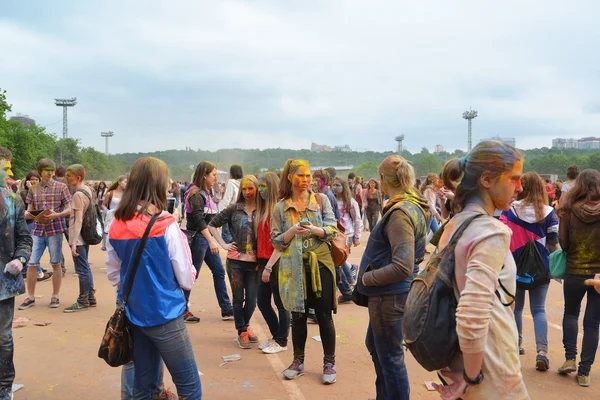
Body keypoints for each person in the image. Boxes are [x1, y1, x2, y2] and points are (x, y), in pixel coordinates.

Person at [432, 140, 529, 399]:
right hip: (492, 368)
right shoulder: (491, 231)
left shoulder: (457, 223)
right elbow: (473, 313)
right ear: (486, 180)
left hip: (458, 357)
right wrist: (472, 377)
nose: (519, 187)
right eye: (514, 179)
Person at [106, 156, 201, 399]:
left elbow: (114, 273)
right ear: (158, 185)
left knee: (143, 386)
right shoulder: (166, 224)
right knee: (189, 386)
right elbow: (186, 278)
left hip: (135, 314)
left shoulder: (116, 222)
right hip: (166, 314)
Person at [356, 155, 429, 400]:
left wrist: (367, 279)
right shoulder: (413, 203)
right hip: (391, 295)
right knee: (378, 348)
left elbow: (402, 265)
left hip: (390, 296)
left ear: (383, 179)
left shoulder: (400, 212)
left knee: (390, 358)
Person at [271, 159, 339, 384]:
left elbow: (332, 228)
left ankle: (329, 362)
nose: (305, 180)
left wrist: (316, 230)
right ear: (290, 177)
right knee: (298, 316)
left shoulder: (321, 200)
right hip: (293, 267)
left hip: (320, 263)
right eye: (300, 175)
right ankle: (297, 361)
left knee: (323, 316)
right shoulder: (280, 207)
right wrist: (291, 231)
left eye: (308, 176)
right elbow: (276, 241)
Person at [500, 172, 560, 371]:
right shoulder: (549, 212)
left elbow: (501, 237)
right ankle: (542, 352)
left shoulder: (509, 210)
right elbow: (553, 243)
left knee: (516, 309)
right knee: (538, 310)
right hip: (540, 268)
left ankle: (516, 345)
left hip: (513, 267)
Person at [556, 169, 600, 387]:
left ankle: (570, 359)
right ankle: (584, 372)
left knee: (571, 313)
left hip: (574, 270)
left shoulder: (568, 210)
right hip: (599, 276)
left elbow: (563, 243)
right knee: (593, 323)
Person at [209, 175, 261, 349]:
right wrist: (222, 243)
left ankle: (244, 325)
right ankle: (242, 331)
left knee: (252, 300)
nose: (247, 192)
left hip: (255, 262)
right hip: (235, 261)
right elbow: (211, 224)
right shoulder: (233, 209)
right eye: (244, 189)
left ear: (257, 189)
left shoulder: (263, 209)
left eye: (251, 188)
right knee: (238, 298)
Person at [0, 146, 33, 400]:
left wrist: (21, 259)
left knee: (2, 338)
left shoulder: (13, 201)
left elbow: (24, 237)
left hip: (3, 281)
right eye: (5, 169)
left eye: (7, 169)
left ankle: (4, 388)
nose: (8, 175)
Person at [183, 162, 233, 323]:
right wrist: (212, 241)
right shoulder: (196, 194)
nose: (215, 178)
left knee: (219, 272)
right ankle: (181, 309)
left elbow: (211, 223)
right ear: (204, 175)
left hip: (204, 239)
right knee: (192, 275)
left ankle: (226, 309)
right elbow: (199, 221)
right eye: (213, 175)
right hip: (198, 239)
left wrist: (222, 243)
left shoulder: (206, 193)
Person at [19, 158, 72, 310]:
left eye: (52, 171)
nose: (50, 174)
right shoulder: (33, 189)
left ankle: (55, 296)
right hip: (37, 229)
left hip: (54, 230)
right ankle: (30, 297)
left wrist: (56, 215)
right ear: (40, 172)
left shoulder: (61, 187)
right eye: (47, 171)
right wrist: (29, 214)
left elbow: (69, 208)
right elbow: (29, 209)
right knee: (31, 264)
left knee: (56, 263)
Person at [255, 172, 289, 354]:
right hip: (263, 261)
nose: (260, 190)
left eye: (263, 186)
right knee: (262, 301)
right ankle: (277, 336)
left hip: (276, 262)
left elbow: (281, 242)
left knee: (281, 303)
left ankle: (282, 340)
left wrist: (269, 266)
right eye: (259, 186)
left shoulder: (278, 209)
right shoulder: (263, 209)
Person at [63, 164, 97, 313]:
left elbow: (78, 220)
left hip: (79, 237)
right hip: (86, 235)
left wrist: (74, 242)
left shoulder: (77, 195)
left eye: (69, 175)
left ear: (78, 177)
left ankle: (82, 300)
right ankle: (90, 297)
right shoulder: (88, 190)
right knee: (86, 267)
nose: (67, 178)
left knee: (82, 269)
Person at [332, 176, 362, 303]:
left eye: (338, 185)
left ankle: (351, 282)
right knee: (340, 259)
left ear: (344, 187)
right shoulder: (331, 200)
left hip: (347, 235)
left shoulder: (350, 202)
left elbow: (357, 219)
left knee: (339, 259)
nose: (335, 187)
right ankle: (351, 272)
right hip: (335, 235)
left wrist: (357, 237)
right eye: (333, 185)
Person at [20, 171, 50, 282]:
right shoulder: (24, 193)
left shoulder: (42, 191)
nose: (34, 181)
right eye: (32, 179)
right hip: (28, 223)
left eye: (36, 179)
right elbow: (28, 208)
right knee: (32, 248)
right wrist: (31, 189)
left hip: (38, 223)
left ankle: (33, 269)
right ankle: (37, 272)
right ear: (27, 180)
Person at [101, 175, 127, 251]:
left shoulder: (127, 194)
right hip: (112, 217)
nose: (126, 184)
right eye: (125, 182)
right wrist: (107, 211)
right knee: (109, 232)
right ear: (119, 182)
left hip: (123, 217)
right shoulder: (110, 194)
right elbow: (103, 205)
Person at [219, 164, 243, 243]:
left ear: (231, 173)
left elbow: (227, 199)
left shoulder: (230, 183)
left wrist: (221, 214)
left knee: (226, 236)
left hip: (229, 212)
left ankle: (233, 253)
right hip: (238, 213)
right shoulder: (240, 184)